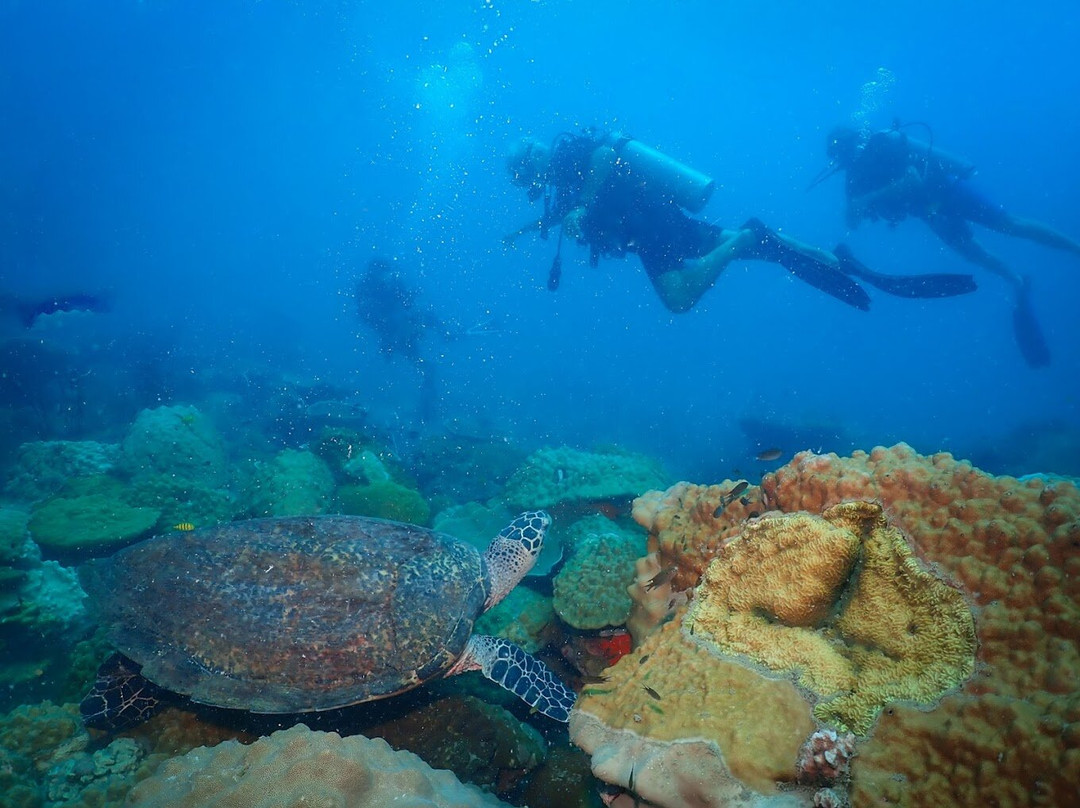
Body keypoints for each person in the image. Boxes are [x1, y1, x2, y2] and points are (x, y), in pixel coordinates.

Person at [504, 129, 975, 314]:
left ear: (531, 159)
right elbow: (578, 208)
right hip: (654, 219)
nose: (531, 178)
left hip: (648, 224)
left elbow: (606, 155)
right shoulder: (562, 180)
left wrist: (583, 207)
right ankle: (829, 259)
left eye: (526, 170)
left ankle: (746, 237)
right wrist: (534, 226)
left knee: (678, 298)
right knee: (749, 246)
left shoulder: (565, 155)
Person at [821, 124, 1080, 367]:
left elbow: (913, 182)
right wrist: (862, 201)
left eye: (846, 149)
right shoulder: (855, 178)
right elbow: (852, 221)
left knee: (1010, 225)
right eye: (840, 155)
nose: (847, 157)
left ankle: (1074, 247)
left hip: (948, 190)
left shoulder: (883, 144)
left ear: (856, 141)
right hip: (930, 212)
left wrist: (869, 197)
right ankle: (1016, 280)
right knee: (975, 254)